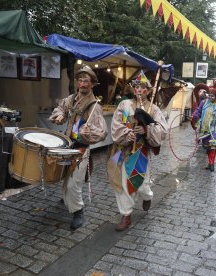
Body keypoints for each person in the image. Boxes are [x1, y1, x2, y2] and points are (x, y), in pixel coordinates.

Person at [107, 70, 168, 231]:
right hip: (122, 150)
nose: (139, 90)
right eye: (137, 87)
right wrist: (127, 133)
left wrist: (147, 130)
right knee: (123, 184)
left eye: (142, 88)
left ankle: (147, 196)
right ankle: (126, 215)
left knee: (141, 185)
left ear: (148, 91)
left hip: (141, 152)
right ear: (133, 90)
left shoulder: (153, 108)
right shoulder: (124, 105)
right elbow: (116, 123)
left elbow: (162, 130)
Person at [49, 65, 108, 230]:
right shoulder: (71, 99)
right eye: (80, 80)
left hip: (80, 149)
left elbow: (102, 132)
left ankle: (78, 212)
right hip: (67, 144)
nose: (82, 84)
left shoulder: (95, 107)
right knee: (64, 174)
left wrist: (88, 132)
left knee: (74, 183)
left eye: (86, 81)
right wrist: (59, 116)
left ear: (92, 84)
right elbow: (59, 109)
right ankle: (67, 197)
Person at [192, 87, 216, 172]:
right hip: (204, 129)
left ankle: (211, 164)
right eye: (209, 95)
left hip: (213, 130)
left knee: (212, 147)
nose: (210, 97)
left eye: (212, 96)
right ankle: (210, 163)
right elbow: (198, 111)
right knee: (207, 147)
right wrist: (195, 116)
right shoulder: (203, 102)